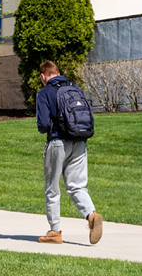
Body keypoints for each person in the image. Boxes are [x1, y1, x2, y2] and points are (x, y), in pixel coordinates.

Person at [33, 60, 102, 245]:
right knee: (77, 186)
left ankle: (55, 231)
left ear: (43, 76)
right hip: (80, 142)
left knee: (52, 188)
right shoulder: (75, 89)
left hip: (57, 143)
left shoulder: (44, 93)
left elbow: (44, 125)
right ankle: (91, 214)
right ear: (58, 73)